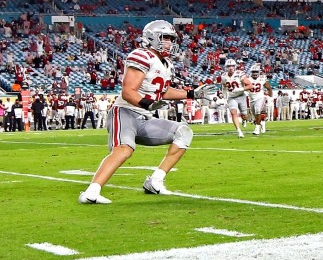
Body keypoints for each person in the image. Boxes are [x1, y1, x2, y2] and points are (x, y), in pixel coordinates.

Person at [78, 20, 214, 204]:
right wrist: (148, 104)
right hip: (125, 112)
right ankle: (91, 192)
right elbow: (128, 92)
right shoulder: (141, 55)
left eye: (171, 39)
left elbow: (162, 91)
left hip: (145, 117)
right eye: (165, 38)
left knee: (184, 132)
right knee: (124, 150)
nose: (170, 43)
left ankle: (155, 181)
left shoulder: (166, 64)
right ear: (152, 37)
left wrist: (191, 93)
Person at [221, 59, 247, 138]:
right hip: (232, 97)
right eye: (229, 66)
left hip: (241, 95)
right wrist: (224, 96)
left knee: (245, 115)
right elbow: (224, 87)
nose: (231, 68)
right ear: (226, 67)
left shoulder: (240, 74)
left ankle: (244, 120)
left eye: (232, 66)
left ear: (235, 66)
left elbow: (250, 85)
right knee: (233, 113)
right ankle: (239, 131)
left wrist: (240, 89)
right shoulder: (223, 76)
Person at [243, 64, 272, 135]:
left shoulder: (262, 79)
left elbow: (269, 87)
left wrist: (270, 96)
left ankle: (257, 129)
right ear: (251, 72)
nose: (255, 73)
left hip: (260, 97)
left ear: (258, 72)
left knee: (258, 111)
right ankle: (262, 123)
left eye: (256, 71)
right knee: (255, 114)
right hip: (252, 99)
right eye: (253, 72)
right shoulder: (247, 79)